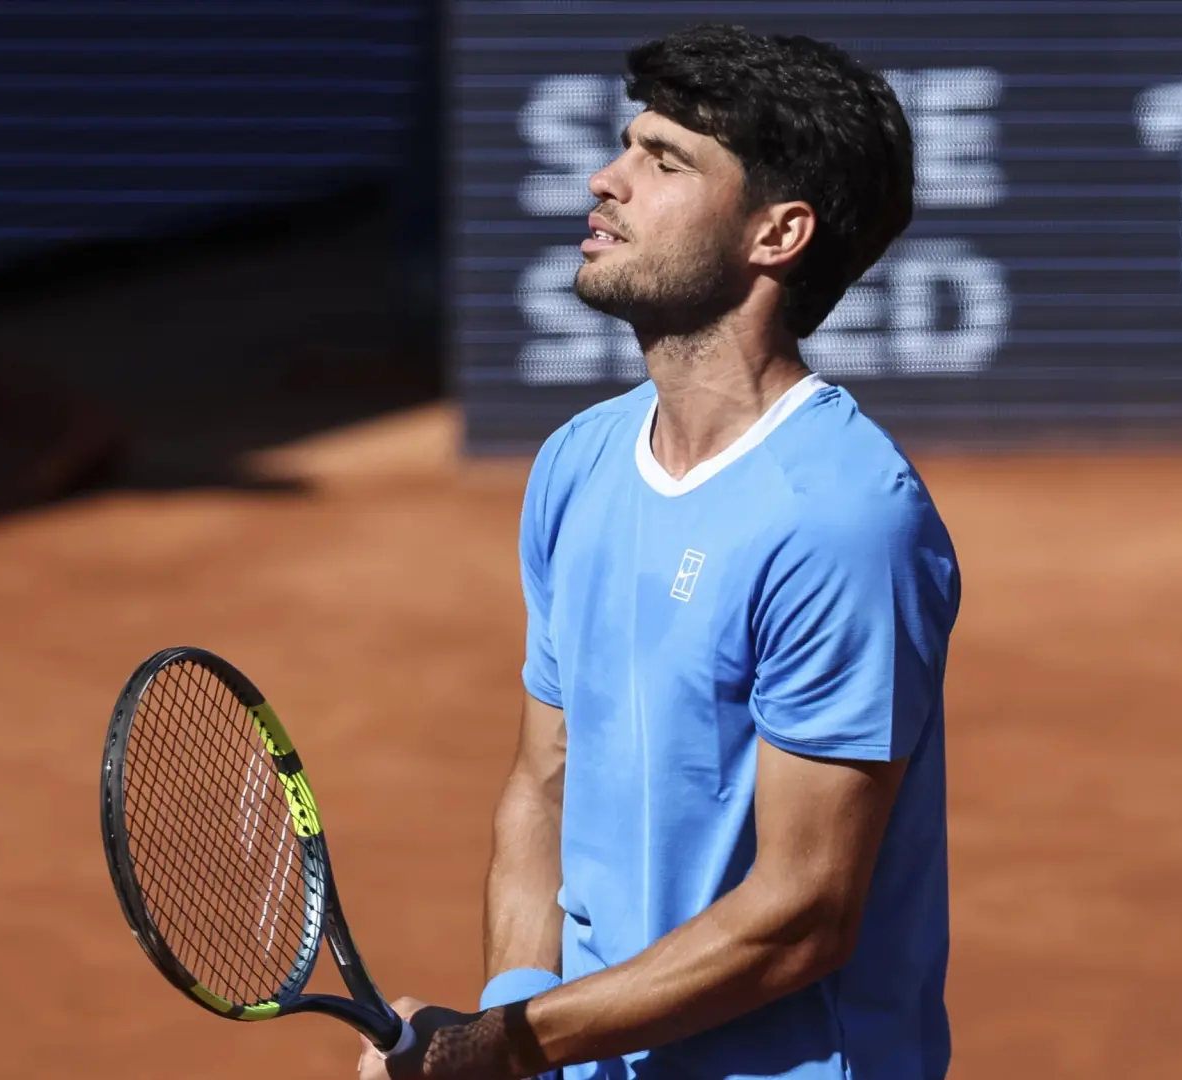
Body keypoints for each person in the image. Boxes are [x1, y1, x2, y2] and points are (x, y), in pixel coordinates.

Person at [359, 23, 961, 1080]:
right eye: (628, 145)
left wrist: (501, 1050)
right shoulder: (580, 462)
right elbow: (545, 785)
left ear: (776, 235)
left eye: (665, 160)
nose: (606, 179)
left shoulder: (841, 521)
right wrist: (516, 1012)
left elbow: (800, 916)